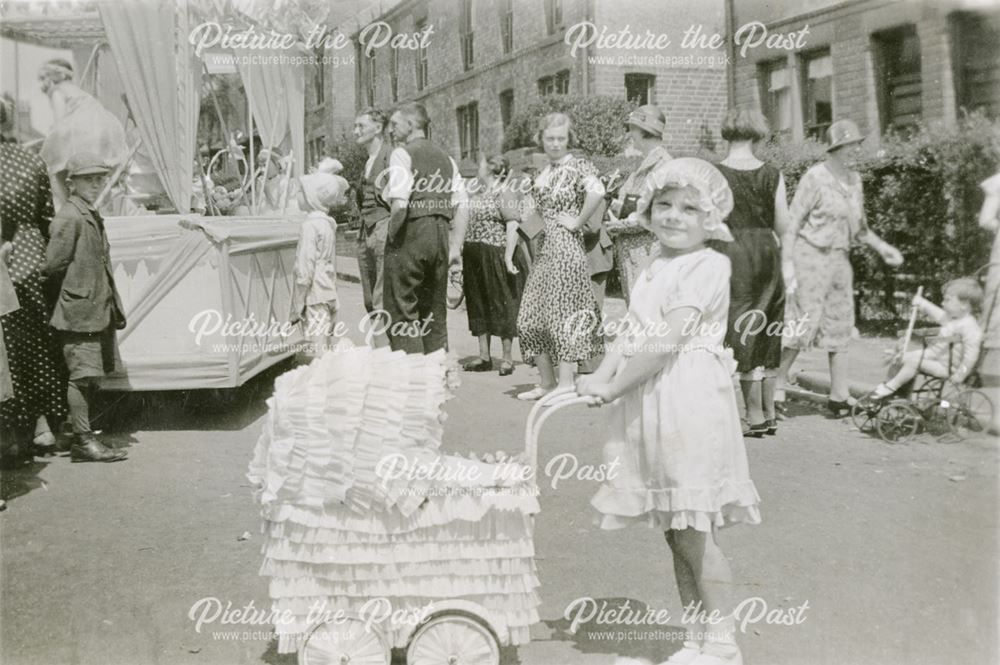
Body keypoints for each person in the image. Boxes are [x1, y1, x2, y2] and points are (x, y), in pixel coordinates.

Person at [577, 158, 759, 665]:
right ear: (648, 210)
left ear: (710, 218)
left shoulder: (708, 265)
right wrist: (601, 375)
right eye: (664, 205)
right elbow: (632, 333)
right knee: (676, 529)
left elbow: (665, 342)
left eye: (689, 208)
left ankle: (723, 641)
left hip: (688, 397)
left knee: (696, 526)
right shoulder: (655, 266)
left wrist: (613, 389)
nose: (674, 216)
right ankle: (695, 636)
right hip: (655, 398)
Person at [778, 119, 904, 418]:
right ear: (833, 150)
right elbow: (791, 224)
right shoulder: (814, 177)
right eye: (847, 147)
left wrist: (883, 247)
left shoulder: (855, 180)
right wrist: (787, 265)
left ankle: (839, 395)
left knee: (840, 324)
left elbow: (860, 229)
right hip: (810, 256)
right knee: (803, 324)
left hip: (839, 259)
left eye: (856, 146)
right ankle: (777, 386)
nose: (853, 152)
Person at [41, 153, 127, 463]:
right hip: (79, 313)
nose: (96, 184)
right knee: (81, 376)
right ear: (71, 183)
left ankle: (77, 431)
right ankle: (82, 440)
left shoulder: (87, 212)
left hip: (94, 309)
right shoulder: (71, 216)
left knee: (90, 375)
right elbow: (52, 266)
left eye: (99, 178)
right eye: (88, 179)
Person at [516, 113, 606, 400]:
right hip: (544, 250)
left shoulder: (578, 165)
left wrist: (578, 221)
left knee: (563, 316)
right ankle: (548, 382)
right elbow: (531, 212)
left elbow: (598, 191)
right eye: (550, 138)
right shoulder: (543, 172)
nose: (555, 143)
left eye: (561, 138)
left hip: (567, 250)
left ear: (569, 140)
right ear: (541, 139)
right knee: (529, 319)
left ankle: (566, 384)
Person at [713, 109, 790, 437]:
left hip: (731, 252)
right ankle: (768, 413)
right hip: (765, 252)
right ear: (757, 134)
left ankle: (753, 415)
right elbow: (783, 225)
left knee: (741, 327)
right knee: (768, 325)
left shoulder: (715, 174)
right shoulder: (772, 174)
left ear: (726, 135)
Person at [0, 119, 68, 461]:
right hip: (32, 252)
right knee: (39, 343)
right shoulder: (30, 159)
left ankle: (11, 433)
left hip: (4, 254)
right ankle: (43, 425)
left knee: (6, 353)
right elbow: (47, 214)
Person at [382, 102, 466, 355]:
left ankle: (413, 380)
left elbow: (399, 205)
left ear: (411, 124)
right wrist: (455, 247)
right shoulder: (447, 159)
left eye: (395, 125)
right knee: (434, 313)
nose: (391, 130)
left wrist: (391, 236)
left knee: (402, 311)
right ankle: (437, 378)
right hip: (440, 235)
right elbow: (463, 206)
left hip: (412, 232)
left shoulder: (402, 154)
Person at [460, 155, 530, 376]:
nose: (477, 168)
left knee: (501, 303)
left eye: (481, 165)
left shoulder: (504, 192)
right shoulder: (479, 194)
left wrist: (508, 258)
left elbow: (512, 226)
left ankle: (507, 358)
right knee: (478, 302)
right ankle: (484, 356)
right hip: (474, 256)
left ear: (491, 170)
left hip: (495, 254)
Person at [868, 279, 984, 399]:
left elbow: (971, 356)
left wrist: (960, 375)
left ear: (964, 304)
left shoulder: (970, 327)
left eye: (947, 299)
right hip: (934, 356)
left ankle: (890, 388)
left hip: (946, 368)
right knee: (901, 357)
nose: (943, 303)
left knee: (913, 362)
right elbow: (938, 314)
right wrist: (922, 303)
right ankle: (889, 385)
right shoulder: (954, 319)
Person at [37, 59, 127, 210]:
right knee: (92, 171)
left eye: (44, 78)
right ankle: (94, 207)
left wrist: (48, 143)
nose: (43, 83)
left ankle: (65, 208)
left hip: (80, 129)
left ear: (53, 78)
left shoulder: (57, 91)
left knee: (51, 168)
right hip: (104, 127)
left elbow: (60, 122)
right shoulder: (76, 90)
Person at [606, 104, 673, 300]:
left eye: (632, 129)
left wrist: (617, 225)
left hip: (650, 256)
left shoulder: (663, 167)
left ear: (645, 131)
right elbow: (628, 201)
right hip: (634, 257)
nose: (630, 134)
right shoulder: (644, 167)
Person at [290, 170, 349, 357]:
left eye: (301, 191)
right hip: (328, 289)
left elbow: (305, 267)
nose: (297, 195)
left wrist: (298, 303)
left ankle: (323, 381)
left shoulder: (309, 226)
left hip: (315, 292)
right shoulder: (328, 224)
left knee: (318, 349)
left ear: (311, 197)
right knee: (324, 342)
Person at [352, 107, 393, 346]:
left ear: (377, 128)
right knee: (369, 297)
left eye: (361, 126)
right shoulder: (368, 161)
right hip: (365, 231)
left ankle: (383, 356)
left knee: (381, 298)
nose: (355, 131)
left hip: (382, 227)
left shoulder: (390, 156)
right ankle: (380, 350)